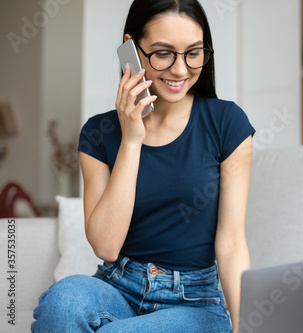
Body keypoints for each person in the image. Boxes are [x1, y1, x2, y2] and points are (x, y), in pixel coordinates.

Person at [32, 0, 255, 332]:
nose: (180, 70)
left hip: (193, 302)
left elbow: (232, 240)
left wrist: (244, 326)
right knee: (62, 303)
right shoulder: (98, 134)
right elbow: (106, 246)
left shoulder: (227, 123)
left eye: (193, 53)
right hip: (118, 285)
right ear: (131, 49)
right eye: (163, 53)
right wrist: (132, 140)